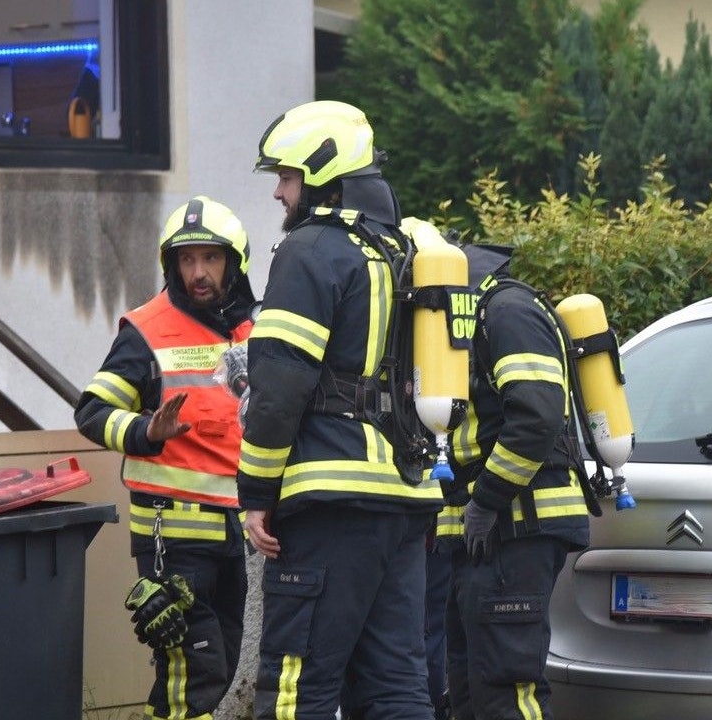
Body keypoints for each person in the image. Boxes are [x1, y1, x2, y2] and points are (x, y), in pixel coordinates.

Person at [238, 99, 444, 719]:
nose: (278, 192)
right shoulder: (402, 250)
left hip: (330, 500)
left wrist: (256, 494)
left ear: (321, 174)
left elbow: (278, 387)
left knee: (295, 685)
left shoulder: (309, 250)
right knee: (396, 686)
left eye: (286, 176)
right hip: (405, 498)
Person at [74, 196, 257, 720]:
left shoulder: (261, 326)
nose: (198, 273)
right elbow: (92, 411)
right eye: (186, 259)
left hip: (239, 534)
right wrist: (144, 431)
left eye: (210, 258)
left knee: (223, 669)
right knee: (192, 674)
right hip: (172, 537)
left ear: (235, 262)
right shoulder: (147, 329)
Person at [439, 243, 591, 720]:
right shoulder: (471, 318)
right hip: (485, 537)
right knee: (470, 692)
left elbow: (536, 418)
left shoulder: (506, 311)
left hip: (518, 527)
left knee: (508, 693)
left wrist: (486, 501)